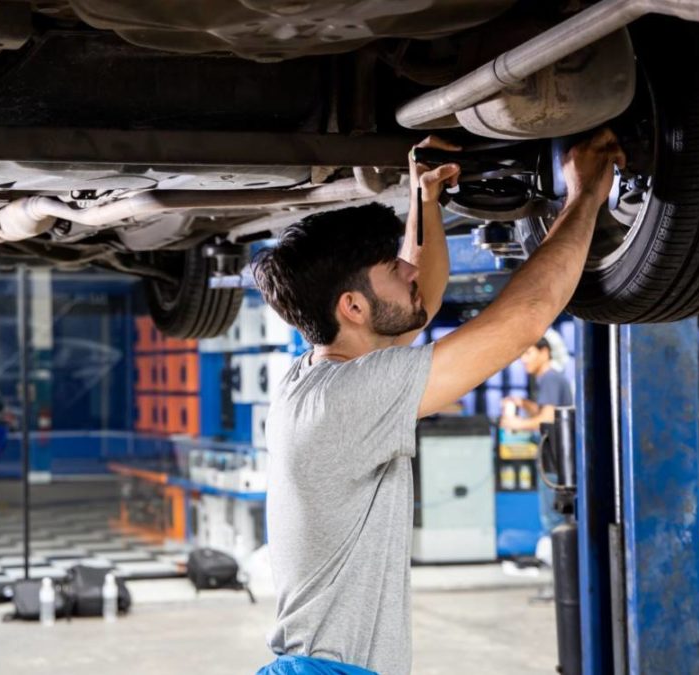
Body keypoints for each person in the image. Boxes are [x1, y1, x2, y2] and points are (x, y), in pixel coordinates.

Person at [251, 130, 624, 675]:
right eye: (391, 268)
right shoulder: (346, 401)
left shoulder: (320, 376)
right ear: (352, 306)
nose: (407, 270)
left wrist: (424, 199)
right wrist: (586, 194)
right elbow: (520, 323)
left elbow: (416, 295)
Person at [501, 335, 574, 535]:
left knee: (554, 519)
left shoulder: (550, 378)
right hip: (557, 461)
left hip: (554, 461)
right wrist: (523, 404)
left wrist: (517, 423)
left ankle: (556, 561)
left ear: (544, 352)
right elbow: (545, 412)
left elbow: (548, 420)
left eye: (528, 353)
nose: (523, 359)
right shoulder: (551, 379)